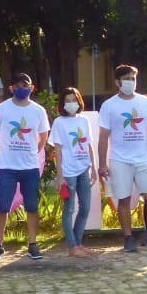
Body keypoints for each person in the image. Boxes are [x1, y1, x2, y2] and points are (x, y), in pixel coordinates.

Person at [96, 65, 147, 253]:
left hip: (143, 158)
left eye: (133, 78)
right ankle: (128, 238)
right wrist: (102, 163)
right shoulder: (109, 105)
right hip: (120, 160)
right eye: (127, 79)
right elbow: (103, 136)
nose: (131, 82)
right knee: (124, 199)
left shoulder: (145, 102)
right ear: (117, 82)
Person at [0, 72, 50, 262]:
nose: (22, 89)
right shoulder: (1, 109)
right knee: (2, 206)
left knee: (31, 206)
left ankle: (32, 244)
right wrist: (1, 153)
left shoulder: (38, 110)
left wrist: (34, 152)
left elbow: (43, 136)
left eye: (25, 85)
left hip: (29, 167)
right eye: (18, 85)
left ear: (32, 88)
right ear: (11, 88)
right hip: (7, 167)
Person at [49, 86, 95, 257]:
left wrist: (94, 169)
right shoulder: (59, 122)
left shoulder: (84, 121)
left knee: (85, 207)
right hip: (68, 171)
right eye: (67, 101)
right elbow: (58, 150)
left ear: (79, 101)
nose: (71, 103)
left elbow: (89, 145)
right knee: (69, 209)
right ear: (62, 104)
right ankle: (72, 246)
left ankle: (78, 242)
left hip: (84, 168)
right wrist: (60, 174)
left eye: (74, 100)